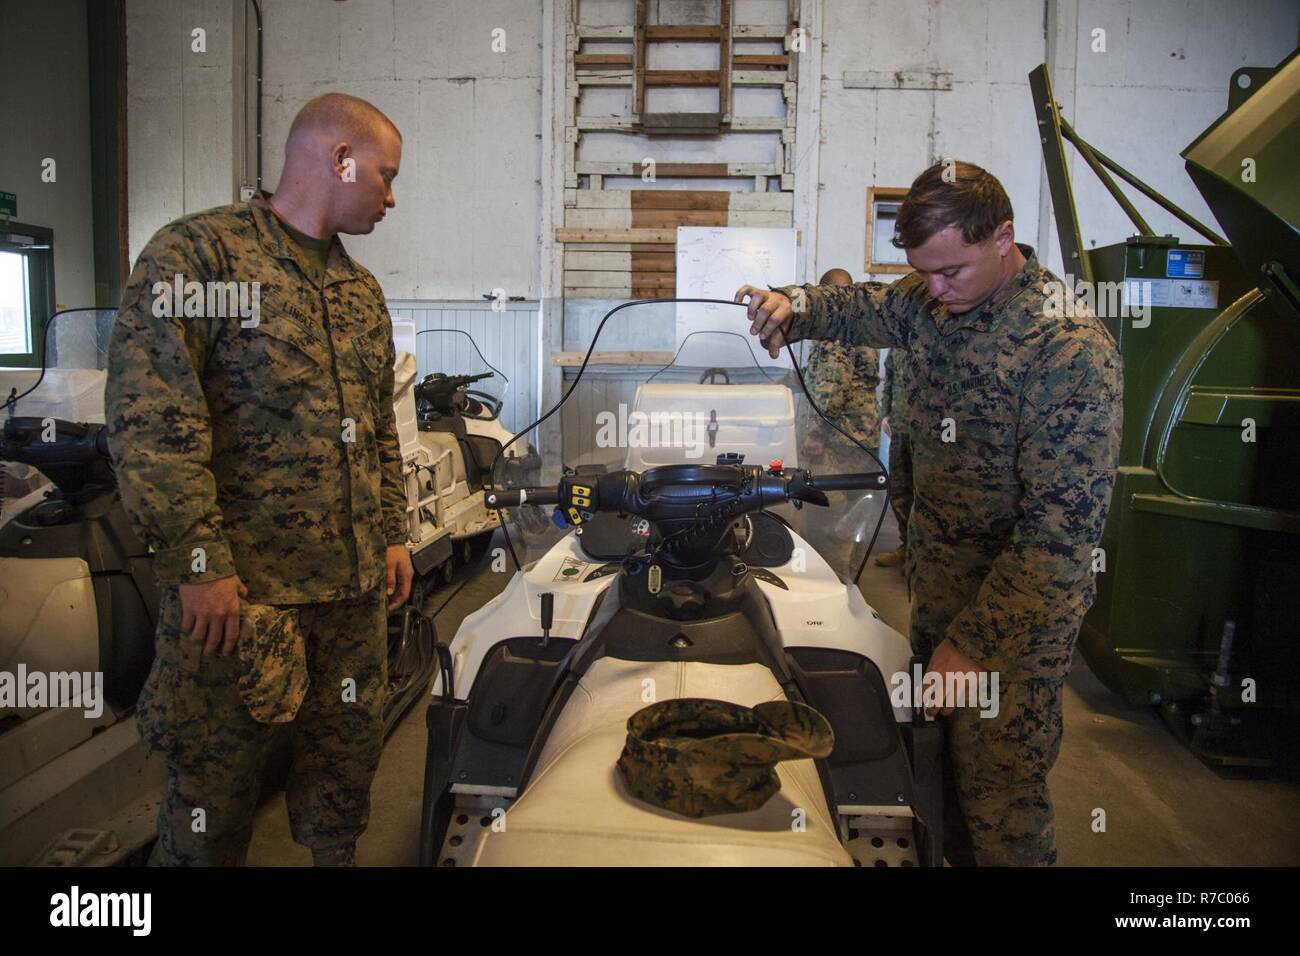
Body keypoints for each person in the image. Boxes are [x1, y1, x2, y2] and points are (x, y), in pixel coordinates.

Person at [735, 160, 1122, 865]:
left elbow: (1061, 537)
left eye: (951, 272)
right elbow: (867, 308)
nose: (935, 292)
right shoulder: (933, 297)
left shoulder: (1067, 349)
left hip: (1012, 626)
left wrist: (973, 645)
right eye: (923, 273)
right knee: (937, 774)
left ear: (1004, 237)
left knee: (1000, 798)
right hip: (939, 585)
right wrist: (795, 305)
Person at [106, 92, 414, 866]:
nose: (390, 196)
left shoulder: (358, 292)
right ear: (339, 158)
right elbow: (154, 424)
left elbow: (379, 428)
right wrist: (197, 565)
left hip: (348, 601)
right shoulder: (199, 259)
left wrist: (392, 535)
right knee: (215, 793)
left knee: (341, 781)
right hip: (242, 605)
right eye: (384, 175)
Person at [800, 268, 881, 458]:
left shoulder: (837, 329)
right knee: (857, 487)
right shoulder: (863, 324)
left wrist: (816, 434)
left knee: (831, 489)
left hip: (839, 440)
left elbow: (832, 388)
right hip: (862, 435)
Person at [875, 346, 915, 568]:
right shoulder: (901, 340)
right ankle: (907, 548)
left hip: (930, 431)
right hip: (900, 425)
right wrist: (886, 414)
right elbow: (889, 377)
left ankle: (923, 557)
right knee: (899, 490)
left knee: (927, 493)